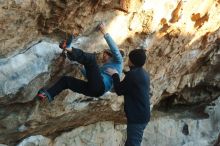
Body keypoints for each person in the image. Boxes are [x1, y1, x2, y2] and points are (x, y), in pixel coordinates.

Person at [36, 23, 124, 102]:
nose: (103, 56)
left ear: (111, 55)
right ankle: (47, 94)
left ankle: (68, 48)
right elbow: (90, 78)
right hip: (94, 91)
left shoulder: (118, 62)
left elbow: (115, 50)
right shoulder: (104, 68)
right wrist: (81, 67)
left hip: (99, 87)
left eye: (106, 54)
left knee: (91, 60)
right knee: (66, 81)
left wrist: (104, 32)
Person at [106, 49, 150, 146]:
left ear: (132, 61)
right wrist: (124, 72)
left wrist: (115, 74)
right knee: (131, 142)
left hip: (137, 118)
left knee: (133, 143)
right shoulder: (144, 73)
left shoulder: (132, 75)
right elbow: (134, 81)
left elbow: (119, 90)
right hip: (142, 115)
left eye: (129, 58)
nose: (128, 60)